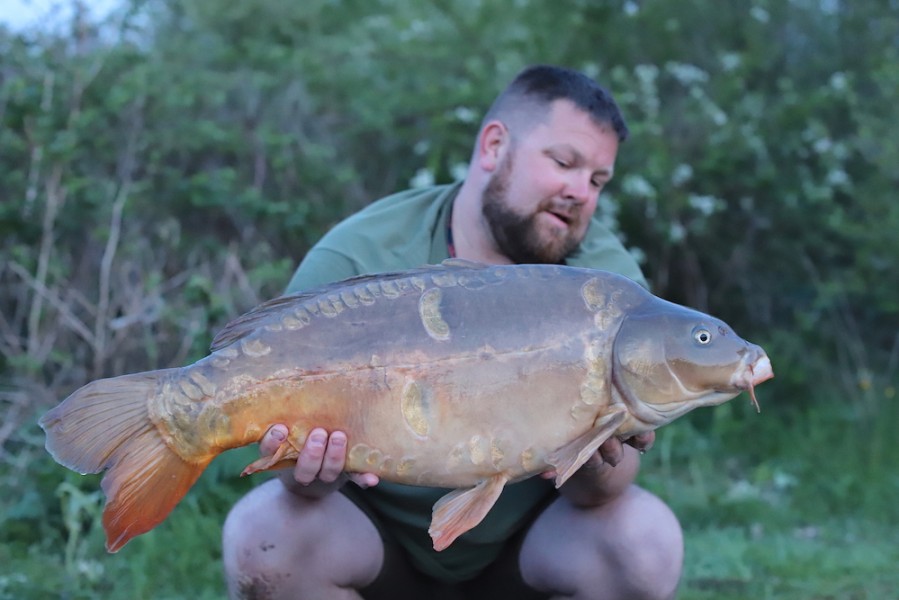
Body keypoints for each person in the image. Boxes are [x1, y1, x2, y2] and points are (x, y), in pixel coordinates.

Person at [222, 65, 683, 600]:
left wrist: (594, 453)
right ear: (493, 147)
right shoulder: (360, 255)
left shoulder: (609, 289)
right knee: (264, 535)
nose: (580, 192)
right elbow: (290, 477)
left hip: (526, 555)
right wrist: (313, 472)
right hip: (375, 549)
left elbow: (606, 493)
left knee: (644, 541)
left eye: (598, 180)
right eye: (564, 163)